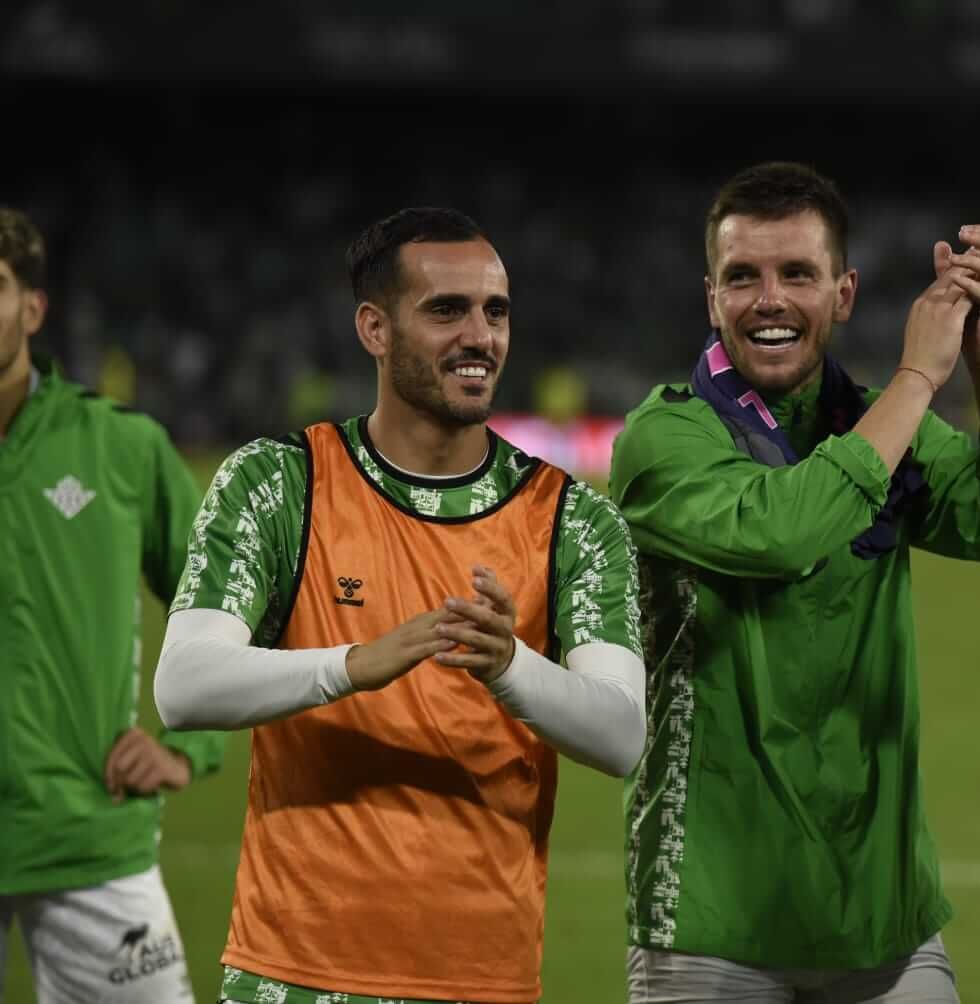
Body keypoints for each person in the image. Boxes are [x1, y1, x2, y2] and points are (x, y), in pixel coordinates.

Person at [609, 162, 980, 1002]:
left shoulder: (880, 424)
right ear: (711, 299)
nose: (770, 299)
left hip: (880, 912)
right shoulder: (664, 436)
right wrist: (914, 382)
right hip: (715, 914)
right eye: (742, 277)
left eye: (798, 274)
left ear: (844, 293)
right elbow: (783, 533)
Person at [151, 207, 647, 1004]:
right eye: (446, 310)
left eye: (496, 311)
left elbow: (624, 734)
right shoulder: (281, 484)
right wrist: (353, 665)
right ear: (374, 329)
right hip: (293, 977)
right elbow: (182, 686)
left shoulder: (572, 521)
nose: (480, 335)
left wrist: (509, 665)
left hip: (482, 983)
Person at [0, 206, 224, 1001]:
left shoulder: (121, 450)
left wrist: (185, 748)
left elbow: (237, 612)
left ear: (32, 307)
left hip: (89, 836)